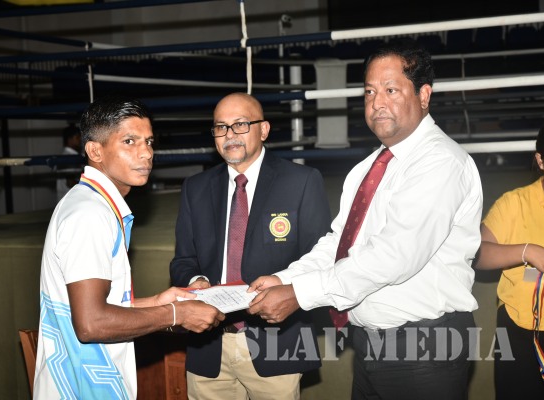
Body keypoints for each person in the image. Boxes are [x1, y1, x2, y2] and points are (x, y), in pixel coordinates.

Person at [248, 39, 483, 400]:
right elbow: (339, 243)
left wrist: (300, 293)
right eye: (369, 91)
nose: (377, 103)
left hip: (425, 347)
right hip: (373, 346)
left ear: (424, 95)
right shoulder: (369, 167)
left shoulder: (440, 162)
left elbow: (394, 256)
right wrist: (285, 278)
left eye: (391, 90)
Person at [34, 96, 225, 400]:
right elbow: (91, 323)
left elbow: (98, 307)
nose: (146, 152)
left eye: (149, 141)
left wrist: (158, 302)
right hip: (81, 390)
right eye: (129, 141)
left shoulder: (95, 205)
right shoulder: (89, 214)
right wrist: (175, 314)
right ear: (95, 151)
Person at [169, 92, 332, 400]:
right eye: (221, 127)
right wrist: (195, 281)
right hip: (208, 344)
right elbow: (182, 260)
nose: (230, 134)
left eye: (241, 124)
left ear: (264, 129)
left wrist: (285, 285)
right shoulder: (195, 187)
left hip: (278, 342)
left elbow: (321, 257)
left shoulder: (302, 181)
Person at [474, 114, 544, 399]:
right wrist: (526, 251)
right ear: (540, 161)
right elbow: (477, 254)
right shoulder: (514, 203)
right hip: (522, 334)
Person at [56, 122, 83, 201]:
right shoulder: (68, 157)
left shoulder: (72, 155)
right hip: (69, 200)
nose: (80, 140)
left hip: (70, 199)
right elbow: (70, 182)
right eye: (77, 137)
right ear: (69, 139)